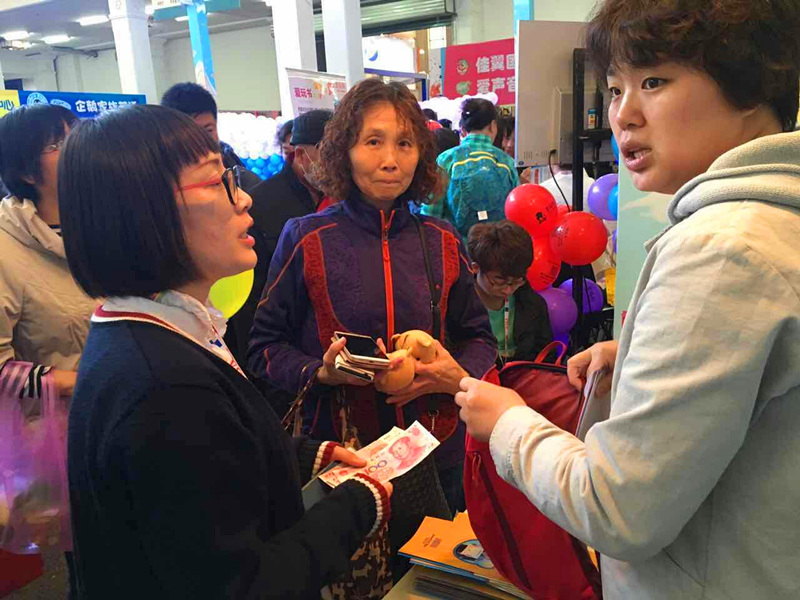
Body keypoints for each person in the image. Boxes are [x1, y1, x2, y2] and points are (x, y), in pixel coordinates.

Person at [456, 1, 800, 598]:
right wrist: (644, 352)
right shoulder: (771, 221)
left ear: (749, 82)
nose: (623, 114)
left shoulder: (722, 250)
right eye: (615, 89)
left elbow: (616, 508)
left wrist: (508, 423)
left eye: (654, 82)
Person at [60, 105, 392, 599]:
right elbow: (243, 585)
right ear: (146, 211)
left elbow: (200, 472)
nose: (244, 199)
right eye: (217, 181)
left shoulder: (149, 330)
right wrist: (359, 503)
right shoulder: (167, 386)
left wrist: (300, 455)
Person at [248, 79, 497, 568]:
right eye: (373, 142)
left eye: (404, 144)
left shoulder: (442, 239)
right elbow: (263, 348)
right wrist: (320, 372)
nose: (390, 160)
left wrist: (449, 374)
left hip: (433, 452)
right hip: (343, 459)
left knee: (427, 580)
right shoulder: (306, 237)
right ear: (345, 150)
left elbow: (480, 338)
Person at [0, 104, 94, 599]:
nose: (78, 147)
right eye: (59, 144)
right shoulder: (6, 248)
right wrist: (84, 381)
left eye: (77, 134)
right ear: (25, 172)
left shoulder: (101, 221)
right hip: (64, 439)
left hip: (129, 415)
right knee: (95, 567)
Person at [230, 110, 334, 387]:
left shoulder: (341, 199)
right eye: (328, 153)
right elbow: (250, 295)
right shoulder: (261, 202)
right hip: (280, 351)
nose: (338, 164)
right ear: (300, 155)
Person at [422, 98, 519, 241]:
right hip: (498, 249)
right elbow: (516, 211)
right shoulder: (507, 162)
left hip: (457, 247)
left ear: (463, 129)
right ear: (493, 126)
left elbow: (430, 214)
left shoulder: (447, 159)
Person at [467, 221, 552, 363]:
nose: (508, 289)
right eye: (499, 280)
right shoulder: (459, 306)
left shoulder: (533, 304)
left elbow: (546, 355)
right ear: (476, 268)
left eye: (517, 280)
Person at [161, 82, 261, 192]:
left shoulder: (243, 181)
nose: (200, 142)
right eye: (189, 135)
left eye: (208, 131)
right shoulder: (160, 188)